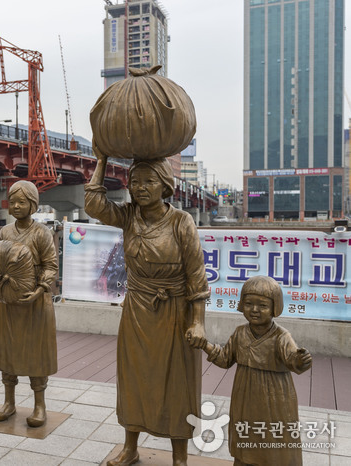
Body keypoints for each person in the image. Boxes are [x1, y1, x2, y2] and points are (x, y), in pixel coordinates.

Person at [85, 153, 209, 465]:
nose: (140, 188)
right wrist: (101, 159)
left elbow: (196, 277)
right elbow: (94, 206)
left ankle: (179, 455)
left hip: (175, 312)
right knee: (133, 377)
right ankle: (130, 447)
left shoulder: (182, 221)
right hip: (137, 308)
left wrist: (197, 322)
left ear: (164, 185)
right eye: (135, 182)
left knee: (178, 382)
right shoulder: (128, 216)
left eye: (149, 181)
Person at [193, 275, 312, 466]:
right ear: (241, 304)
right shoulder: (240, 333)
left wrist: (301, 360)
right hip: (245, 397)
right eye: (249, 304)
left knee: (274, 439)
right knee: (245, 434)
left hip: (275, 398)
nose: (255, 310)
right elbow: (225, 359)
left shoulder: (281, 336)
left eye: (263, 305)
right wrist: (204, 345)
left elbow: (293, 360)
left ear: (275, 307)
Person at [0, 180, 58, 427]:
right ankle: (9, 401)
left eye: (22, 202)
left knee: (36, 352)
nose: (16, 206)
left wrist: (40, 290)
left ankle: (39, 405)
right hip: (9, 301)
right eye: (12, 201)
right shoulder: (5, 232)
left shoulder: (42, 233)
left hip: (36, 302)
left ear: (33, 205)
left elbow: (51, 266)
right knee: (8, 349)